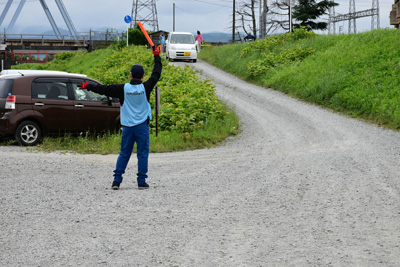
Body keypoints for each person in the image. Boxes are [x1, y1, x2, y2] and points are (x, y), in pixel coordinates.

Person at [79, 47, 162, 190]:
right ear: (142, 77)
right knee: (142, 154)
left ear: (130, 75)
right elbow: (156, 73)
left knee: (124, 153)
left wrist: (88, 86)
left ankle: (116, 181)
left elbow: (104, 89)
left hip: (127, 127)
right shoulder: (146, 87)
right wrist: (156, 56)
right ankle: (141, 182)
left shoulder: (122, 88)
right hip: (142, 126)